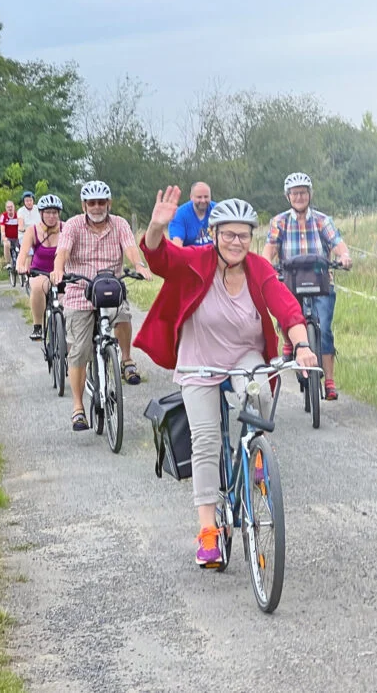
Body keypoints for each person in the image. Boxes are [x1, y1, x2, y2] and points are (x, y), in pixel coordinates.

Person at [135, 188, 317, 567]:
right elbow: (159, 259)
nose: (237, 242)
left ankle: (253, 454)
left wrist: (300, 346)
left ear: (252, 238)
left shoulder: (257, 268)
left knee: (259, 395)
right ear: (214, 234)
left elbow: (285, 305)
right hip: (198, 360)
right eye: (229, 234)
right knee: (204, 439)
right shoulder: (195, 261)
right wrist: (156, 227)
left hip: (243, 355)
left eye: (244, 235)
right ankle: (207, 532)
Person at [50, 180, 152, 431]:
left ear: (109, 203)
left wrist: (138, 265)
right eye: (92, 203)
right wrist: (59, 269)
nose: (97, 207)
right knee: (80, 350)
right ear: (84, 205)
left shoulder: (119, 224)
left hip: (110, 287)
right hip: (79, 289)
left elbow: (130, 247)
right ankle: (78, 407)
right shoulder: (73, 225)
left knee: (124, 315)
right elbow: (62, 251)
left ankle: (126, 360)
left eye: (101, 202)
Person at [262, 172, 352, 400]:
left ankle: (329, 381)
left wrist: (344, 257)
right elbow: (269, 251)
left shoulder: (323, 220)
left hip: (321, 282)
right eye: (295, 193)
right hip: (290, 281)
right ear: (288, 196)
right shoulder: (279, 222)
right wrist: (265, 266)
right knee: (287, 314)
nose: (299, 197)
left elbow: (337, 244)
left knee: (325, 331)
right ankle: (287, 341)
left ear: (310, 195)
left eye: (303, 192)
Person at [17, 194, 64, 341]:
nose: (51, 216)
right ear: (41, 214)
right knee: (37, 286)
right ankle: (38, 326)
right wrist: (20, 265)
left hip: (63, 273)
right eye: (48, 212)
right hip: (41, 272)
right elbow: (24, 251)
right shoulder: (33, 231)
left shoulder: (66, 228)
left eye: (54, 212)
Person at [168, 181, 215, 247]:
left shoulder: (217, 210)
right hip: (190, 255)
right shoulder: (179, 214)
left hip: (214, 255)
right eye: (199, 197)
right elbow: (177, 245)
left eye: (206, 197)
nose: (203, 200)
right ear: (191, 197)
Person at [0, 200, 21, 270]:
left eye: (11, 207)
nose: (10, 209)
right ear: (6, 208)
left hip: (17, 237)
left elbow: (21, 226)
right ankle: (8, 263)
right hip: (7, 237)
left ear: (14, 207)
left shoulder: (18, 215)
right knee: (6, 245)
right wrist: (4, 237)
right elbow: (2, 228)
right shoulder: (3, 216)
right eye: (8, 207)